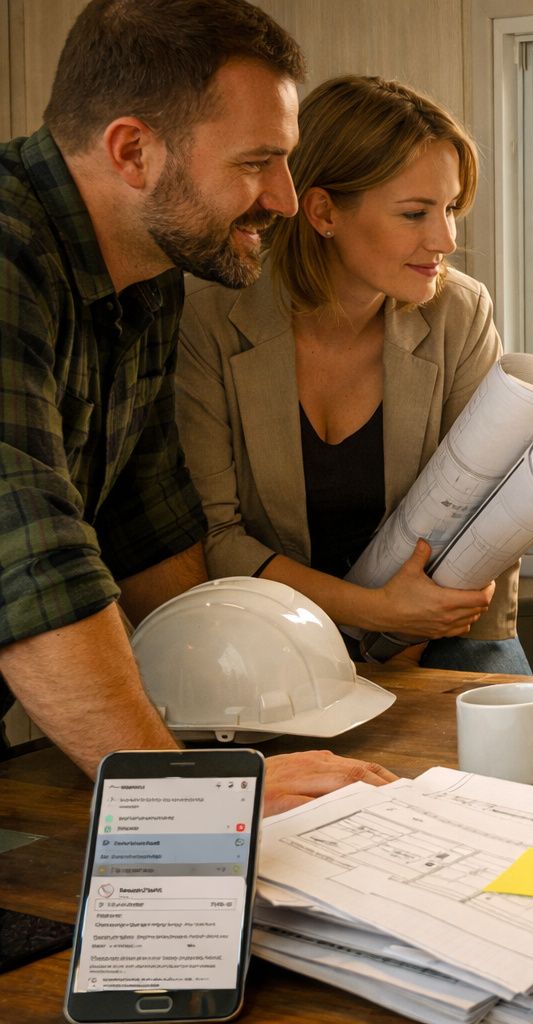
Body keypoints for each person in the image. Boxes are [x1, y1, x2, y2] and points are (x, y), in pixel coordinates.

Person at [0, 0, 394, 814]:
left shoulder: (148, 274)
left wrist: (230, 705)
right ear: (133, 151)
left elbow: (151, 525)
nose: (286, 201)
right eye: (258, 163)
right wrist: (198, 794)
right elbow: (28, 559)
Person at [175, 75, 530, 675]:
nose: (445, 239)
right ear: (322, 212)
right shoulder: (208, 316)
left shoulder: (460, 311)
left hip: (440, 626)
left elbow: (485, 508)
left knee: (512, 756)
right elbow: (218, 537)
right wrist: (375, 612)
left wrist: (406, 639)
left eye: (450, 210)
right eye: (416, 213)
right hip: (263, 638)